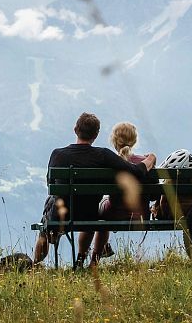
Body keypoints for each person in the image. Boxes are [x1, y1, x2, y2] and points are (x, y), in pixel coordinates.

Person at [31, 113, 157, 268]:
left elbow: (50, 184)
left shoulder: (58, 154)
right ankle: (81, 260)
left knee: (50, 207)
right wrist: (150, 159)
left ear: (75, 129)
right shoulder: (103, 155)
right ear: (96, 135)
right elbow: (135, 171)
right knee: (87, 208)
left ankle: (35, 264)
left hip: (61, 215)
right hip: (89, 214)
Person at [91, 122, 153, 265]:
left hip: (113, 214)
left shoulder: (110, 163)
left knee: (102, 207)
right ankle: (103, 247)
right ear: (134, 141)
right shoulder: (145, 162)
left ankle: (95, 258)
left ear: (114, 141)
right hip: (141, 215)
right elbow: (154, 194)